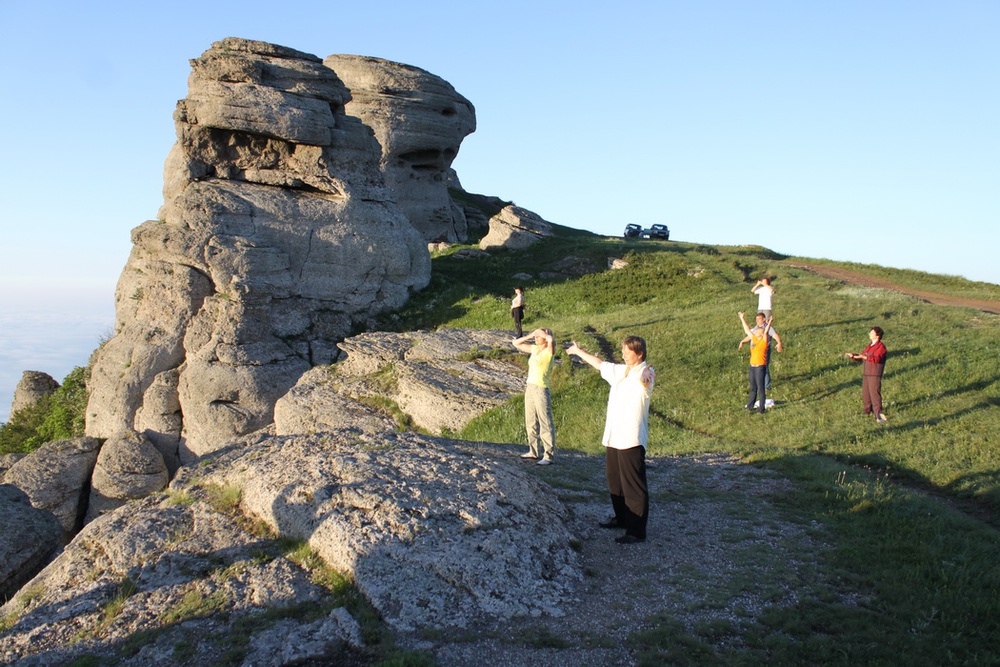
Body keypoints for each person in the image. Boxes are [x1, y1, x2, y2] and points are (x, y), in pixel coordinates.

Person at [566, 336, 655, 545]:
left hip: (631, 439)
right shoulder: (621, 372)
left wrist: (645, 375)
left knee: (633, 486)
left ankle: (636, 531)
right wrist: (578, 351)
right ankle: (621, 518)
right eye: (623, 350)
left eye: (627, 351)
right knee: (615, 481)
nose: (623, 353)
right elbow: (599, 364)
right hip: (614, 437)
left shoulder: (645, 372)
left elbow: (646, 380)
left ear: (639, 353)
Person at [511, 328, 556, 465]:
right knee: (530, 420)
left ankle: (548, 455)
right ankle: (533, 451)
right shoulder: (535, 348)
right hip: (530, 387)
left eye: (539, 336)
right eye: (536, 336)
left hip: (541, 388)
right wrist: (531, 335)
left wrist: (546, 335)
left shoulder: (549, 351)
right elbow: (516, 344)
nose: (536, 338)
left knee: (545, 421)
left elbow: (552, 341)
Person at [845, 327, 888, 422]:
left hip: (874, 374)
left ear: (877, 335)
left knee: (875, 394)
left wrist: (863, 356)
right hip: (867, 374)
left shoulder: (881, 347)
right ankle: (867, 411)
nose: (869, 334)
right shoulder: (870, 346)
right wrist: (853, 356)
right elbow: (862, 356)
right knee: (866, 394)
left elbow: (876, 359)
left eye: (872, 333)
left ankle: (878, 415)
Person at [738, 311, 783, 394]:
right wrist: (742, 341)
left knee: (764, 367)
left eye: (759, 319)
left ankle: (766, 386)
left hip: (764, 350)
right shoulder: (756, 328)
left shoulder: (767, 328)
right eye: (756, 319)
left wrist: (779, 343)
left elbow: (774, 335)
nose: (757, 321)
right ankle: (758, 385)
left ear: (764, 319)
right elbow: (750, 336)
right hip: (755, 350)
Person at [739, 311, 772, 413]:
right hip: (752, 367)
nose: (755, 332)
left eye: (757, 331)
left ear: (761, 334)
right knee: (753, 387)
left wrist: (770, 321)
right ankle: (750, 405)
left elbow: (766, 331)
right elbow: (747, 330)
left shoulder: (763, 342)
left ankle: (761, 409)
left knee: (760, 388)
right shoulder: (754, 339)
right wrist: (742, 318)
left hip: (759, 367)